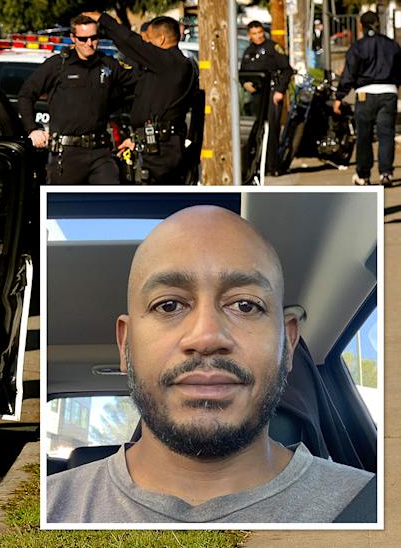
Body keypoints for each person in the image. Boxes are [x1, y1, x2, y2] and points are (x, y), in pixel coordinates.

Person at [47, 206, 376, 524]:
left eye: (245, 305)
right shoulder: (44, 509)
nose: (206, 337)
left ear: (287, 344)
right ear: (126, 344)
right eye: (169, 305)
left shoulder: (373, 506)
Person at [17, 15, 134, 184]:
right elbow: (26, 94)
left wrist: (135, 135)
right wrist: (32, 129)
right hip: (67, 153)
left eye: (94, 38)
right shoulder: (58, 65)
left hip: (100, 152)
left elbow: (139, 86)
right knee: (64, 205)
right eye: (83, 39)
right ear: (73, 38)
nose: (89, 43)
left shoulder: (108, 65)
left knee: (110, 202)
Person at [87, 11, 197, 184]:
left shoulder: (170, 62)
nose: (146, 44)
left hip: (161, 152)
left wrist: (103, 19)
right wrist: (136, 140)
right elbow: (156, 108)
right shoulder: (162, 69)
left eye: (148, 39)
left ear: (161, 39)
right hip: (153, 146)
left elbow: (130, 43)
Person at [333, 10, 401, 186]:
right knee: (386, 134)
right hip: (389, 92)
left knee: (364, 135)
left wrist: (339, 96)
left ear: (360, 25)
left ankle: (363, 175)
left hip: (365, 93)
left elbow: (349, 73)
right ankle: (386, 172)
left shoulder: (358, 47)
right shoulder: (392, 45)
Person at [239, 21, 293, 177]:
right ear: (249, 35)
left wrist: (280, 91)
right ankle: (256, 164)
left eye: (260, 32)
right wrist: (246, 84)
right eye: (254, 33)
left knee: (272, 129)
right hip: (257, 95)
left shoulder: (273, 47)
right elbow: (242, 74)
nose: (258, 36)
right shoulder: (248, 51)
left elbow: (287, 70)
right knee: (257, 130)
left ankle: (272, 166)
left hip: (272, 92)